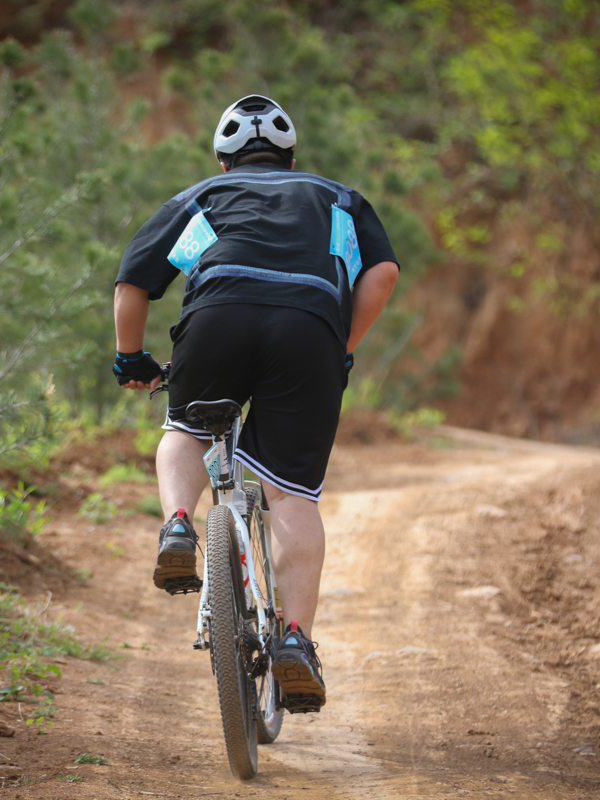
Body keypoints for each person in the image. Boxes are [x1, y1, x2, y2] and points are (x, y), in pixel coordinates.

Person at [112, 94, 399, 709]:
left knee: (186, 431)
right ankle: (295, 641)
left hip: (219, 316)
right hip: (307, 330)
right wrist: (339, 345)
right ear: (293, 162)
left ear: (223, 162)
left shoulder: (203, 198)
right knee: (292, 493)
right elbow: (383, 273)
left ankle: (179, 525)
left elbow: (135, 280)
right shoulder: (338, 199)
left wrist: (129, 358)